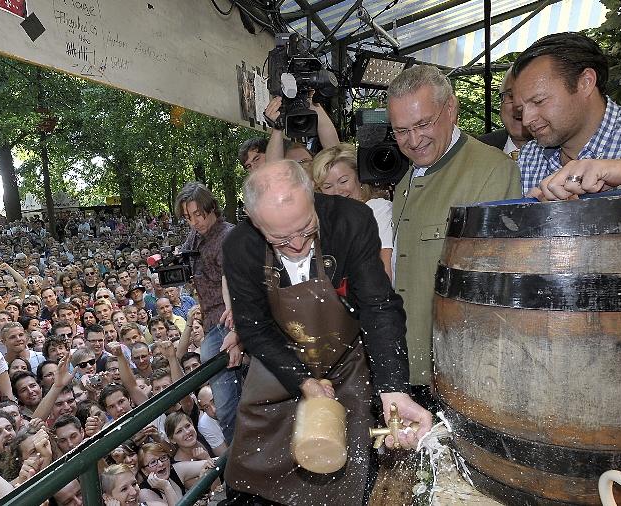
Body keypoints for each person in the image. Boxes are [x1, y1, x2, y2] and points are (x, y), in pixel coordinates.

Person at [222, 161, 432, 504]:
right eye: (280, 239)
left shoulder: (350, 221)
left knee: (350, 475)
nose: (298, 245)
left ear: (313, 196)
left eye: (306, 228)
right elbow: (255, 328)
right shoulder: (240, 248)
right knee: (255, 472)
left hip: (345, 363)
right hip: (279, 362)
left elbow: (378, 306)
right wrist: (304, 382)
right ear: (255, 223)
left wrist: (394, 391)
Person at [388, 65, 521, 393]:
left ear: (451, 109)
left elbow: (493, 285)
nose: (414, 140)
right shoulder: (406, 178)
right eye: (401, 131)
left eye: (423, 124)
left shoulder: (493, 170)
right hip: (408, 365)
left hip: (455, 373)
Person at [509, 32, 621, 199]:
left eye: (539, 101)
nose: (527, 120)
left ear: (585, 82)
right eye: (520, 110)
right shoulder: (530, 157)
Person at [175, 182, 241, 444]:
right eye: (188, 217)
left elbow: (234, 284)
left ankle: (241, 456)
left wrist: (237, 331)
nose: (194, 222)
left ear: (211, 207)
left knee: (224, 405)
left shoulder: (228, 237)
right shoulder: (194, 237)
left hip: (229, 319)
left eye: (198, 215)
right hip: (211, 319)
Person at [309, 143, 394, 279]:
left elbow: (383, 271)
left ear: (359, 177)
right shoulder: (323, 222)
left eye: (343, 181)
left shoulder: (377, 209)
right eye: (328, 186)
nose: (338, 191)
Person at [479, 66, 531, 159]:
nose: (518, 106)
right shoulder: (478, 148)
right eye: (511, 96)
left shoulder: (561, 154)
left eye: (529, 98)